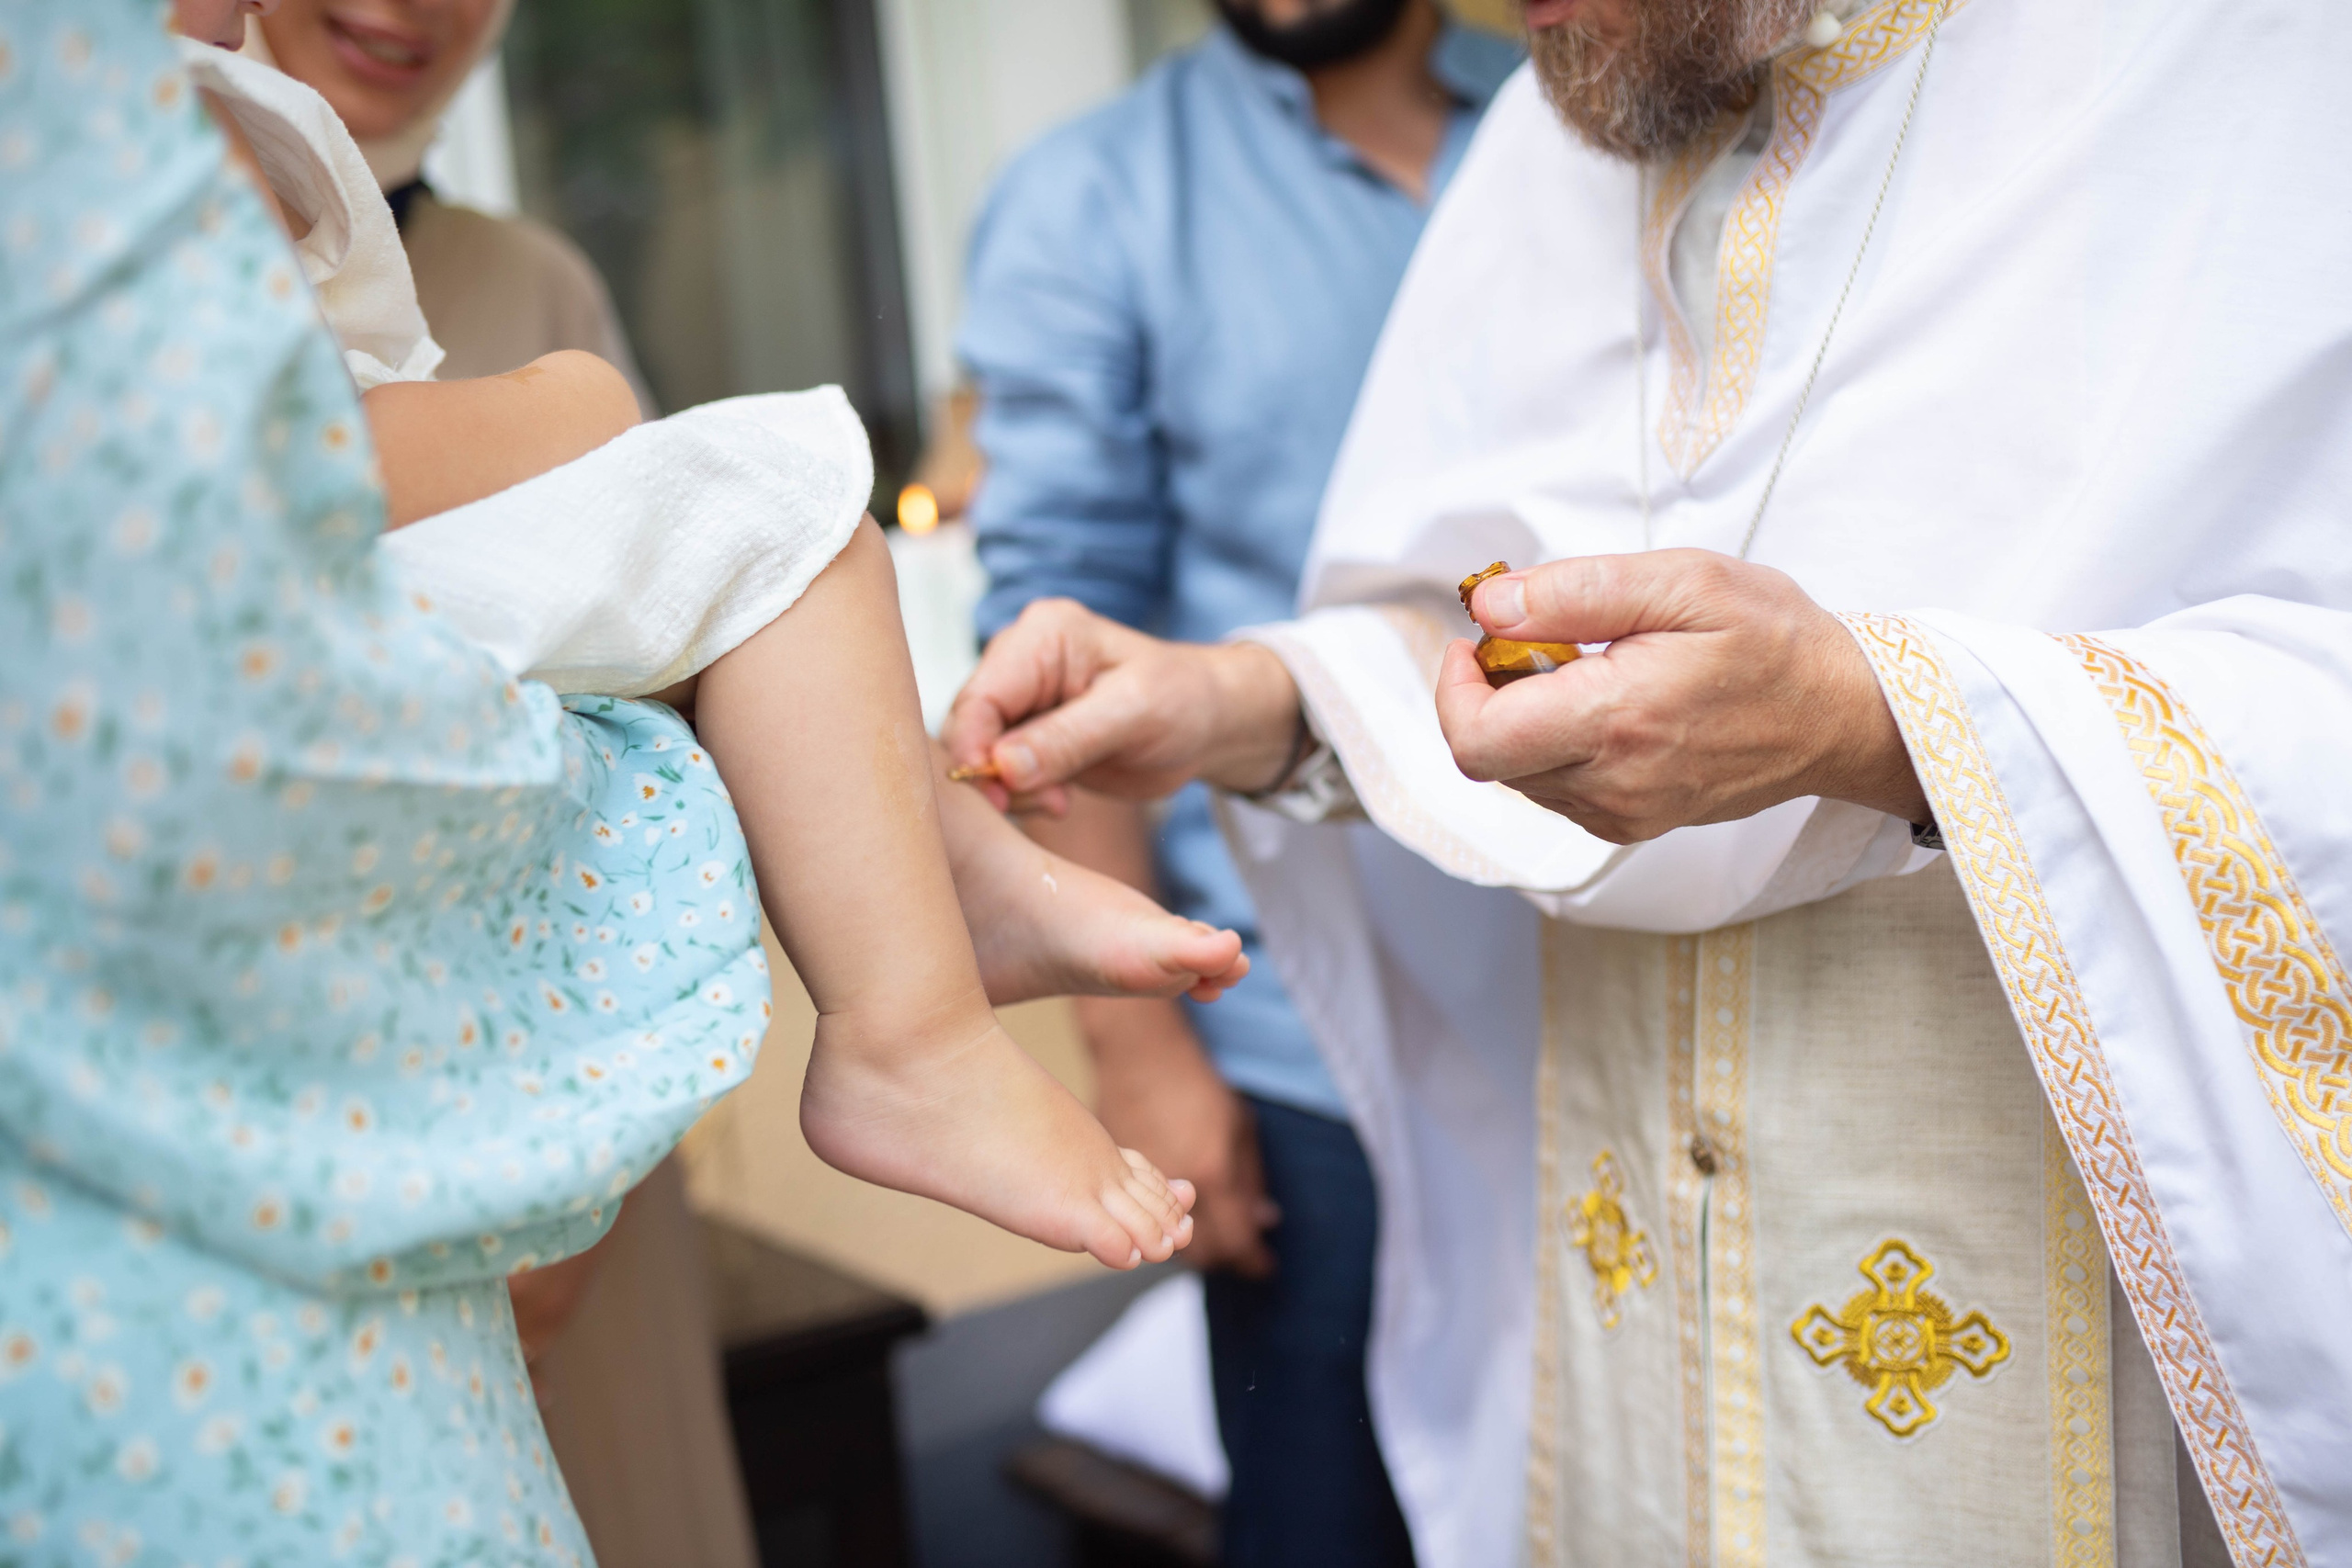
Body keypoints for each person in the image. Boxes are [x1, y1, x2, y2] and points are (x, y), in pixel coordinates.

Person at [945, 0, 2352, 1562]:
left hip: (2033, 1236)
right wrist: (1247, 700)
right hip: (1618, 1247)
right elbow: (1476, 610)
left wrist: (1869, 718)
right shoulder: (1564, 124)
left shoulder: (2252, 59)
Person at [1, 5, 1237, 1553]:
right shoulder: (91, 139)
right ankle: (915, 1012)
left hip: (405, 1233)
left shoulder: (287, 184)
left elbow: (662, 658)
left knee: (756, 556)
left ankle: (948, 896)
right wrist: (571, 407)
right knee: (779, 502)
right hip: (293, 1227)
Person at [954, 0, 1517, 1560]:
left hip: (1612, 998)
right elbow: (1049, 657)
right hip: (1300, 1045)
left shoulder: (1567, 124)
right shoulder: (1094, 197)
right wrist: (1142, 1063)